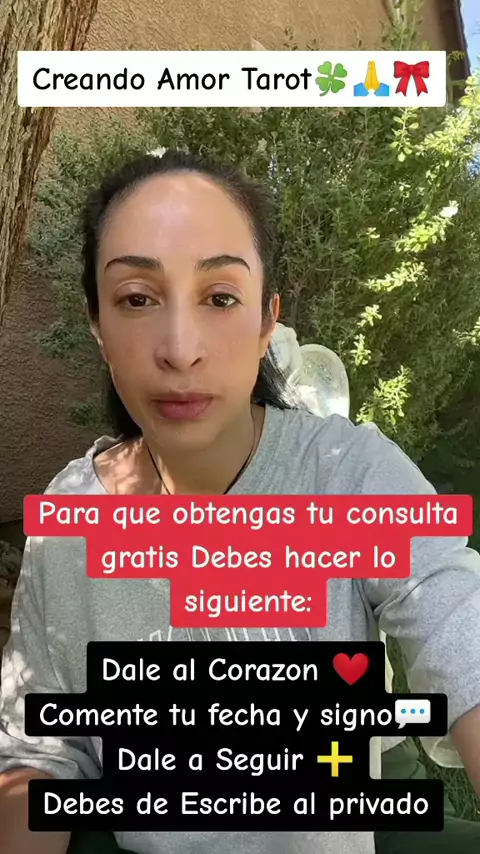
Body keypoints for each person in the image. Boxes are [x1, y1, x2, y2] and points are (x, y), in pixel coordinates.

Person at [0, 149, 480, 854]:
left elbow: (461, 637)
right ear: (97, 325)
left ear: (265, 322)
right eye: (136, 298)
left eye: (220, 297)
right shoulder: (70, 518)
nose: (180, 348)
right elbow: (39, 752)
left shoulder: (348, 474)